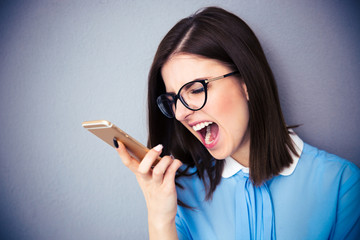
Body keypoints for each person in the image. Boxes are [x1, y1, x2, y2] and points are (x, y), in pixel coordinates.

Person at [114, 6, 360, 240]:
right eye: (174, 99)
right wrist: (159, 218)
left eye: (196, 90)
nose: (179, 114)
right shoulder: (182, 194)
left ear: (247, 84)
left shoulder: (341, 185)